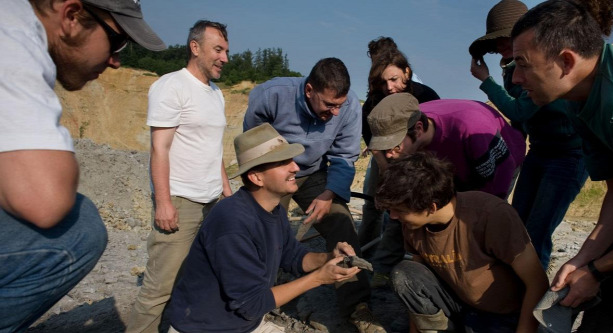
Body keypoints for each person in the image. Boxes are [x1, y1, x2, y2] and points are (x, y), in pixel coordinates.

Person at [0, 0, 165, 331]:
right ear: (72, 16)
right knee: (79, 230)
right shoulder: (15, 40)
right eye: (117, 41)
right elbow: (45, 200)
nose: (116, 61)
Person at [510, 0, 613, 331]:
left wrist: (596, 269)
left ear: (566, 61)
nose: (517, 78)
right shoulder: (579, 100)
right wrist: (583, 260)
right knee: (602, 301)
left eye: (523, 65)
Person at [166, 123, 362, 333]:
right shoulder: (232, 222)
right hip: (207, 328)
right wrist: (318, 278)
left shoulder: (272, 208)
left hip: (244, 323)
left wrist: (329, 258)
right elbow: (252, 304)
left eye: (292, 160)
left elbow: (292, 256)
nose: (295, 167)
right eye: (283, 162)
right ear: (256, 177)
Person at [243, 58, 385, 333]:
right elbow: (253, 146)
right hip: (274, 170)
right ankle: (257, 298)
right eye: (328, 105)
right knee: (262, 227)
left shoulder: (348, 108)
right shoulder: (272, 96)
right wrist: (268, 181)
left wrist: (330, 194)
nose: (334, 113)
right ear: (309, 90)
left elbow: (344, 157)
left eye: (339, 105)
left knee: (341, 222)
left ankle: (357, 305)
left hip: (314, 173)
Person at [127, 20, 232, 332]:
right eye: (218, 49)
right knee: (159, 288)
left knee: (199, 276)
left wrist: (227, 193)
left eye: (226, 50)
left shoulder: (217, 94)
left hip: (212, 201)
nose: (225, 58)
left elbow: (215, 149)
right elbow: (159, 148)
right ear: (195, 47)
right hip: (181, 200)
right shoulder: (171, 86)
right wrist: (163, 203)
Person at [469, 0, 588, 269]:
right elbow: (520, 123)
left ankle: (530, 301)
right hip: (539, 152)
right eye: (496, 42)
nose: (500, 46)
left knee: (537, 231)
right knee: (518, 225)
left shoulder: (542, 63)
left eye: (505, 39)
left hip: (569, 156)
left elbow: (520, 110)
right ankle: (513, 291)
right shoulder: (511, 69)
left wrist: (486, 82)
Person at [374, 152, 548, 332]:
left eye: (399, 210)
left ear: (431, 207)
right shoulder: (412, 224)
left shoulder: (491, 215)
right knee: (404, 273)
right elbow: (416, 278)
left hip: (502, 316)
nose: (393, 216)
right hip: (457, 305)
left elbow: (537, 282)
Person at [366, 93, 526, 287]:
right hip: (444, 165)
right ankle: (399, 271)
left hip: (494, 165)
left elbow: (494, 190)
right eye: (384, 149)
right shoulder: (401, 125)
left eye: (394, 147)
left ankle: (477, 282)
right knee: (404, 209)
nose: (390, 155)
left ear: (418, 129)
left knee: (473, 225)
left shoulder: (471, 129)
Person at [359, 38, 440, 251]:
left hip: (420, 157)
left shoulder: (425, 95)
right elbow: (374, 144)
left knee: (415, 204)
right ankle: (366, 250)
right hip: (385, 157)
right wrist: (387, 174)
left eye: (394, 79)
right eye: (383, 81)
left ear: (406, 72)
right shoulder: (374, 101)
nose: (389, 87)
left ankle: (414, 250)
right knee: (376, 202)